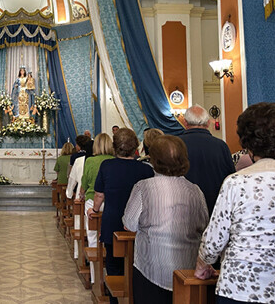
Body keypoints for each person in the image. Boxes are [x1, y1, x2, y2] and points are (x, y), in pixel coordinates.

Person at [195, 102, 275, 304]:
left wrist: (202, 266)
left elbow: (214, 241)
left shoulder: (237, 182)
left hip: (240, 287)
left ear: (248, 141)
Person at [123, 135, 208, 303]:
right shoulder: (195, 190)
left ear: (154, 160)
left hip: (151, 271)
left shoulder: (143, 187)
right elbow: (204, 225)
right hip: (188, 272)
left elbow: (130, 224)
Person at [91, 128, 153, 276]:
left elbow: (99, 194)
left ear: (115, 147)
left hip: (113, 221)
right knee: (137, 265)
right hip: (139, 225)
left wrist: (94, 210)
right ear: (136, 147)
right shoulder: (146, 170)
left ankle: (115, 298)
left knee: (113, 265)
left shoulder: (107, 166)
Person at [179, 105, 235, 215]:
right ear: (208, 123)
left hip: (182, 207)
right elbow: (230, 178)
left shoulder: (175, 144)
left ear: (185, 123)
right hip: (215, 208)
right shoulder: (221, 146)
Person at [82, 134, 115, 255]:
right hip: (111, 202)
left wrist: (81, 193)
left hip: (93, 200)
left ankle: (94, 270)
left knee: (93, 236)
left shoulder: (90, 161)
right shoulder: (114, 160)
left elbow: (84, 182)